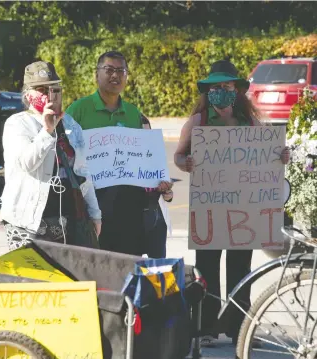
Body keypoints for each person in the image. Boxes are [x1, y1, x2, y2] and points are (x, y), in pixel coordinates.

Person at [174, 60, 290, 346]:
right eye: (216, 87)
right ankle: (208, 328)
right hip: (210, 210)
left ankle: (240, 328)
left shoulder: (249, 122)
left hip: (243, 211)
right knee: (207, 268)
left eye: (226, 86)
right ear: (207, 92)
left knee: (241, 269)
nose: (221, 92)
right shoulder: (198, 122)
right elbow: (178, 156)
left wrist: (282, 156)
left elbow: (268, 155)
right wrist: (186, 163)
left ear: (237, 90)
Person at [66, 51, 171, 256]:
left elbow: (145, 159)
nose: (115, 75)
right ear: (97, 75)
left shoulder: (133, 113)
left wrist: (160, 182)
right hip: (92, 203)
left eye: (121, 71)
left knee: (127, 265)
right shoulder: (78, 110)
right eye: (109, 70)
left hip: (128, 210)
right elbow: (64, 152)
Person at [0, 61, 102, 250]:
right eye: (41, 90)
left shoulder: (70, 124)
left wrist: (95, 213)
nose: (49, 95)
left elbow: (83, 172)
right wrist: (47, 130)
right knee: (33, 278)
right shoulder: (17, 124)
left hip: (68, 220)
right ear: (28, 95)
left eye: (54, 89)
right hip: (28, 222)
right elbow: (27, 163)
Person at [141, 114, 174, 258]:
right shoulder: (122, 159)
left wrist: (168, 194)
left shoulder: (155, 156)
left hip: (156, 216)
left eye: (149, 134)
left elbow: (167, 194)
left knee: (159, 266)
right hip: (132, 217)